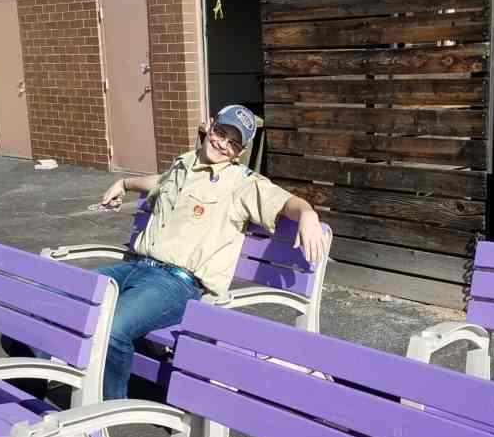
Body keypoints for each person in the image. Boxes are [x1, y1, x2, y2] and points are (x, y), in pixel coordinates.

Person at [92, 103, 329, 400]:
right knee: (62, 295)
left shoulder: (242, 184)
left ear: (240, 152)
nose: (222, 144)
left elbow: (285, 202)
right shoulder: (185, 163)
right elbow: (158, 182)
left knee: (113, 330)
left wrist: (307, 213)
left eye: (233, 142)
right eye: (220, 132)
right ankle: (32, 385)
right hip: (135, 267)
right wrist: (124, 183)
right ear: (210, 125)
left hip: (175, 284)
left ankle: (106, 413)